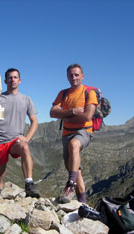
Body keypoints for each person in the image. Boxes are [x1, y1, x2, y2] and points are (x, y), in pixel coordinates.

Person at [0, 68, 40, 198]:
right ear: (5, 81)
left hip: (15, 140)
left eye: (15, 77)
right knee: (0, 176)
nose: (12, 80)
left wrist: (26, 138)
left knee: (24, 147)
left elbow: (34, 122)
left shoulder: (26, 99)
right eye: (10, 77)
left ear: (20, 80)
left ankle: (29, 184)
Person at [50, 63, 98, 204]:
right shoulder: (63, 93)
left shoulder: (89, 93)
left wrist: (63, 115)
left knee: (74, 144)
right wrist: (72, 111)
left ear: (82, 76)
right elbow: (52, 112)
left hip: (84, 131)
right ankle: (83, 203)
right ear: (67, 77)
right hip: (66, 133)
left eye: (77, 74)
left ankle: (70, 184)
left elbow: (87, 116)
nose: (74, 77)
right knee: (76, 170)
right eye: (71, 75)